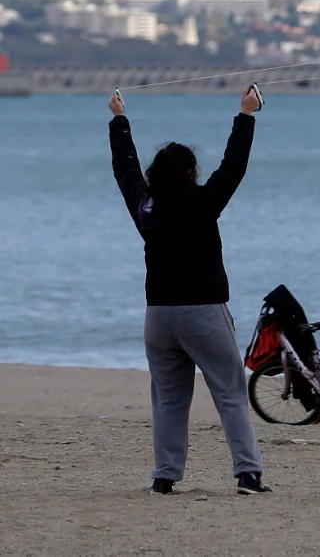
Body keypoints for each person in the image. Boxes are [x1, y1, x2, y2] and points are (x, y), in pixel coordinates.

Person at [108, 86, 271, 495]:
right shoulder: (202, 202)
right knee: (230, 392)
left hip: (158, 316)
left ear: (155, 177)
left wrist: (119, 121)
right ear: (190, 174)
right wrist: (246, 116)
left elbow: (124, 171)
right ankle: (248, 475)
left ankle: (164, 478)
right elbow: (233, 168)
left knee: (168, 398)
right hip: (202, 312)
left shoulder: (146, 207)